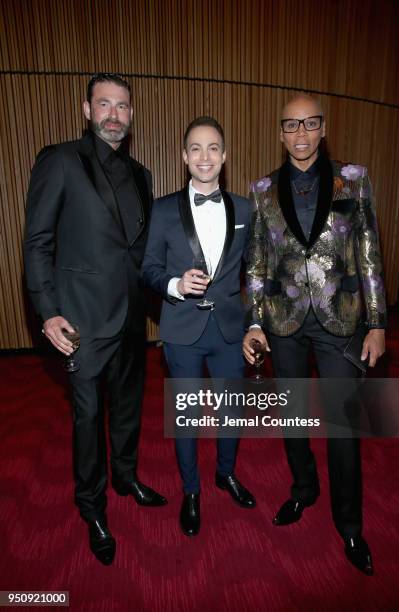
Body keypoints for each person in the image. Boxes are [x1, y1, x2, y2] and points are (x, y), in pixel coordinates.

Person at [23, 73, 167, 566]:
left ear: (131, 114)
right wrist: (48, 312)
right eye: (104, 104)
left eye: (122, 106)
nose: (113, 114)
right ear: (87, 110)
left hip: (131, 319)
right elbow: (38, 241)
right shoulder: (60, 161)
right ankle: (92, 507)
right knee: (87, 418)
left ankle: (125, 478)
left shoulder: (143, 174)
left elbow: (142, 252)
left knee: (128, 408)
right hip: (80, 322)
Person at [243, 94, 386, 575]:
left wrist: (378, 322)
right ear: (280, 132)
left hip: (341, 320)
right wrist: (255, 321)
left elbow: (369, 255)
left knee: (345, 428)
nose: (301, 134)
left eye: (310, 124)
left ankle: (349, 525)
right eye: (291, 125)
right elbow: (258, 263)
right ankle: (303, 490)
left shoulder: (354, 179)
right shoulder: (263, 190)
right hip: (283, 324)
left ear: (323, 128)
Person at [142, 116, 256, 537]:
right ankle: (191, 491)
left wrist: (256, 323)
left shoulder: (245, 209)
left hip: (230, 331)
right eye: (195, 148)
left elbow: (257, 272)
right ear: (184, 156)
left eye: (213, 148)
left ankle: (225, 474)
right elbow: (148, 268)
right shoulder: (161, 209)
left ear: (224, 157)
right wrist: (174, 283)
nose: (204, 157)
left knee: (231, 412)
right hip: (182, 330)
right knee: (187, 418)